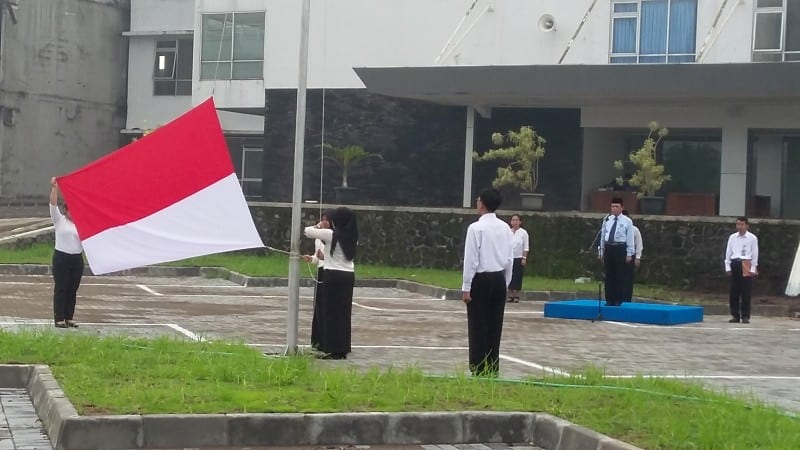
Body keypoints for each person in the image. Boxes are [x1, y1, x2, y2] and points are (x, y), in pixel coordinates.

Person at [462, 188, 513, 376]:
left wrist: (466, 287)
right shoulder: (505, 228)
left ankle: (478, 367)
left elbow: (471, 260)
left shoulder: (476, 228)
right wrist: (506, 283)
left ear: (482, 203)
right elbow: (509, 260)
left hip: (481, 279)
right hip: (499, 279)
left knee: (478, 325)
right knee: (494, 324)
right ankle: (493, 366)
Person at [303, 207, 358, 359]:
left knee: (331, 313)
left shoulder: (331, 234)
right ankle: (342, 348)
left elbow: (307, 231)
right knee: (343, 314)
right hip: (347, 276)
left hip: (333, 275)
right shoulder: (352, 237)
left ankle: (332, 349)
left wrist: (318, 225)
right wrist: (319, 257)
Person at [49, 177, 84, 328]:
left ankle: (69, 317)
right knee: (61, 287)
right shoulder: (59, 220)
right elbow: (53, 204)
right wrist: (55, 188)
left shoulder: (82, 223)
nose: (73, 213)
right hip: (61, 258)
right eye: (71, 210)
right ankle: (59, 318)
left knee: (72, 288)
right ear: (66, 210)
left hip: (76, 259)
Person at [302, 209, 333, 350]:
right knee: (318, 307)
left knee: (328, 307)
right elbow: (317, 257)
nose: (323, 222)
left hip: (331, 271)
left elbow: (338, 257)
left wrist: (324, 257)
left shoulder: (334, 236)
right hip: (321, 270)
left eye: (326, 219)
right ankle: (317, 341)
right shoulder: (318, 237)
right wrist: (312, 258)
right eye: (322, 219)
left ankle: (328, 341)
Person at [597, 197, 634, 306]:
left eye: (617, 206)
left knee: (619, 275)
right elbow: (603, 236)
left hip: (620, 248)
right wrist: (601, 250)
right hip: (609, 247)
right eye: (612, 206)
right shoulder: (607, 220)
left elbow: (630, 238)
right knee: (609, 274)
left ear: (622, 208)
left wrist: (629, 253)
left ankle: (618, 299)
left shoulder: (627, 221)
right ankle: (609, 299)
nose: (614, 209)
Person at [724, 217, 759, 324]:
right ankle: (735, 315)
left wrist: (753, 267)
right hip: (735, 263)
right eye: (738, 224)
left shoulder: (752, 238)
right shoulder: (732, 237)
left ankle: (745, 316)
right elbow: (728, 252)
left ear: (747, 225)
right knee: (734, 291)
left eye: (742, 224)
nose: (739, 226)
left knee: (746, 291)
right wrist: (727, 266)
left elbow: (755, 253)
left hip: (746, 263)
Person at [621, 209, 643, 302]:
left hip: (630, 255)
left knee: (628, 278)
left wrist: (638, 257)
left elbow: (639, 244)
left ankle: (627, 298)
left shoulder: (634, 230)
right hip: (619, 255)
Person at [507, 214, 529, 303]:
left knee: (517, 276)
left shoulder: (523, 233)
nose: (515, 222)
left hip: (519, 257)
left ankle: (516, 295)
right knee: (509, 276)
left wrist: (524, 258)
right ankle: (510, 294)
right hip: (509, 257)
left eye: (516, 220)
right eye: (513, 220)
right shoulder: (508, 232)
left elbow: (526, 246)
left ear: (520, 222)